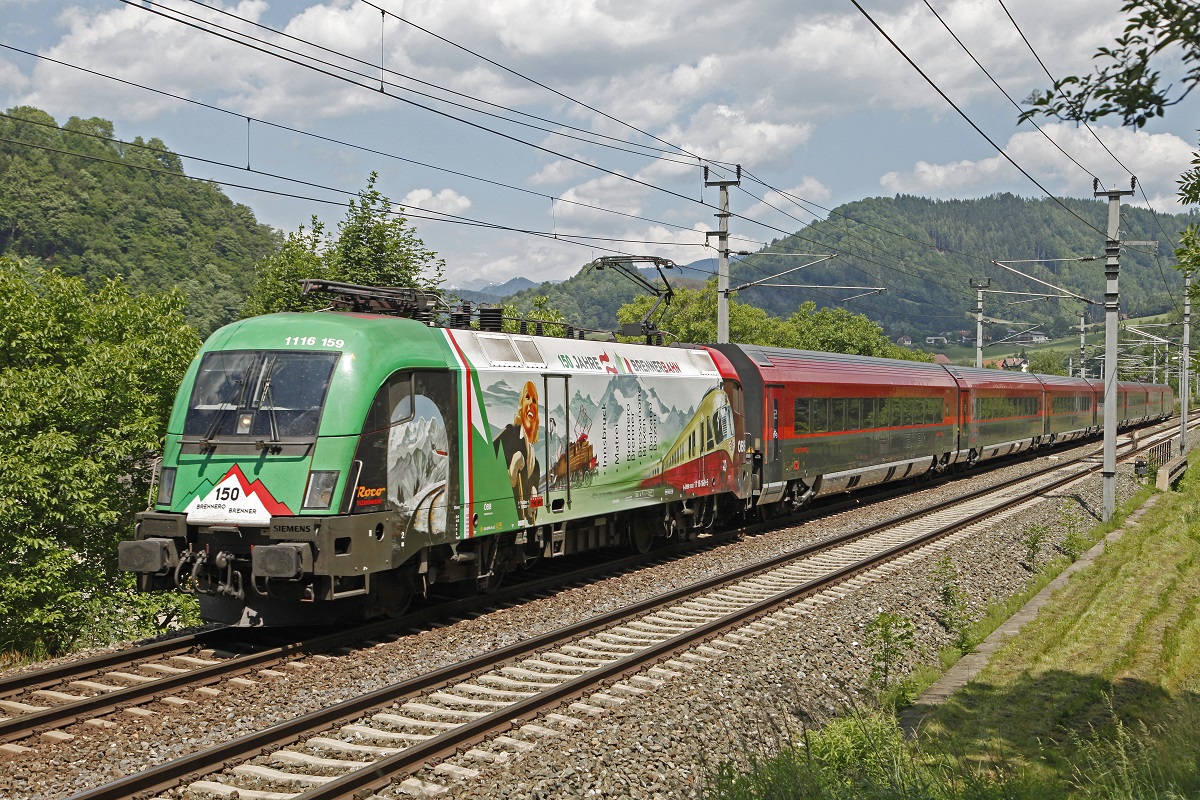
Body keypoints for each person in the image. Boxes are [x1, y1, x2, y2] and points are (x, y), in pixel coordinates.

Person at [493, 380, 541, 524]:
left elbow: (532, 514)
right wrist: (510, 475)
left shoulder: (535, 465)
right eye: (527, 398)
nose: (531, 404)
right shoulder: (509, 434)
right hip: (504, 516)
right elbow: (486, 461)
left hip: (520, 522)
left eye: (534, 400)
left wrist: (533, 503)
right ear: (521, 406)